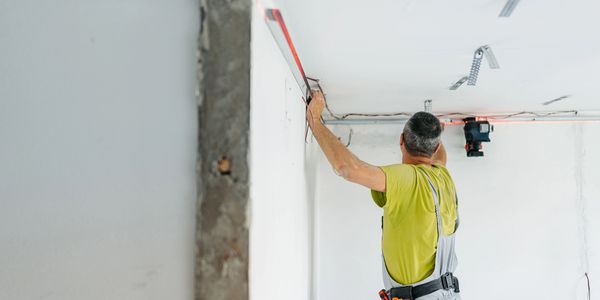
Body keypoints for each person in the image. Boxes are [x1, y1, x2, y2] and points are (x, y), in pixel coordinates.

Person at [307, 90, 461, 300]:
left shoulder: (406, 180)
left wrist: (315, 120)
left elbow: (347, 168)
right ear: (435, 150)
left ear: (401, 140)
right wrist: (434, 132)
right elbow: (440, 156)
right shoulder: (442, 176)